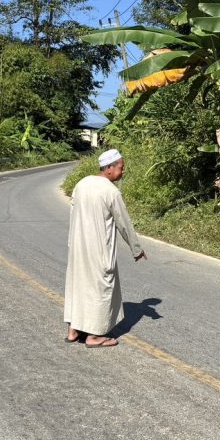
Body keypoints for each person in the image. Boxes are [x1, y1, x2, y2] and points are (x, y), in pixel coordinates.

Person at [64, 149, 146, 348]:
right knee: (101, 288)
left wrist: (71, 243)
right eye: (121, 168)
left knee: (79, 286)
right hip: (99, 249)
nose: (123, 171)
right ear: (109, 168)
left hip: (78, 248)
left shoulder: (82, 184)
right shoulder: (111, 191)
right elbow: (124, 223)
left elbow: (73, 214)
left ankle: (73, 330)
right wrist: (136, 249)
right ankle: (94, 336)